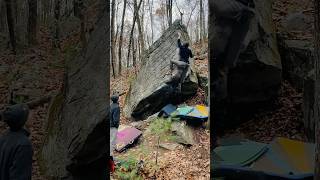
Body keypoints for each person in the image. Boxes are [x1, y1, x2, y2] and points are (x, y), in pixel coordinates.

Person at [0, 104, 33, 180]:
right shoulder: (24, 145)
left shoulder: (4, 137)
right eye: (28, 114)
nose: (32, 115)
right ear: (23, 121)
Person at [109, 94, 120, 173]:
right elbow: (115, 119)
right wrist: (116, 126)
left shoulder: (110, 105)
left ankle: (111, 157)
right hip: (113, 127)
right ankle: (111, 159)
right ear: (117, 99)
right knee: (112, 142)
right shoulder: (116, 107)